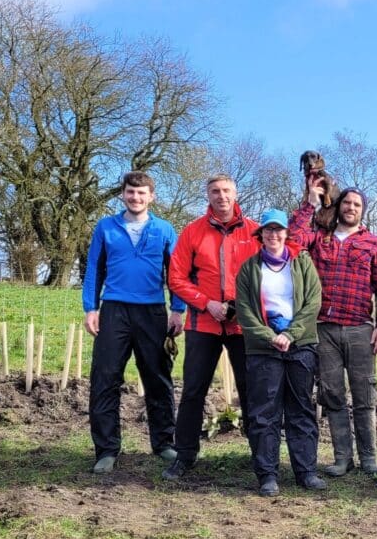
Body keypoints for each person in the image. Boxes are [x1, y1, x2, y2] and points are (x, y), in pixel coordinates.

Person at [82, 170, 185, 474]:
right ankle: (106, 450)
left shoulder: (165, 229)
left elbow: (176, 273)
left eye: (141, 193)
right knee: (105, 378)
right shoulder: (105, 227)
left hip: (152, 312)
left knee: (158, 378)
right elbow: (93, 269)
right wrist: (91, 307)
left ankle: (164, 443)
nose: (135, 197)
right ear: (123, 195)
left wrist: (177, 309)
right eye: (130, 192)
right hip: (114, 310)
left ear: (151, 196)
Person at [289, 179, 377, 476]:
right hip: (324, 328)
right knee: (332, 395)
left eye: (357, 205)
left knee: (364, 395)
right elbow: (293, 238)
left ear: (363, 211)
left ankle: (369, 457)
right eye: (347, 202)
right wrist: (310, 200)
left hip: (360, 327)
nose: (351, 208)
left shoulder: (373, 243)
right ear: (338, 205)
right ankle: (342, 458)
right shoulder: (321, 237)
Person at [163, 174, 260, 480]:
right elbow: (176, 278)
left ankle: (261, 456)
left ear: (236, 193)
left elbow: (267, 275)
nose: (221, 196)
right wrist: (206, 303)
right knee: (193, 390)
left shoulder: (255, 232)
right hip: (202, 322)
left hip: (242, 326)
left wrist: (240, 308)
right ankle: (185, 455)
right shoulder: (193, 231)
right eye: (215, 191)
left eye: (226, 190)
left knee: (252, 390)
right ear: (207, 195)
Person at [235, 209, 326, 496]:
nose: (274, 235)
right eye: (268, 230)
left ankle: (306, 471)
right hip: (263, 349)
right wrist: (270, 336)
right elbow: (245, 312)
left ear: (287, 233)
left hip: (300, 345)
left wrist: (290, 333)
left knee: (301, 409)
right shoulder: (249, 269)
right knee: (264, 411)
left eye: (279, 230)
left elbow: (313, 301)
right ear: (260, 234)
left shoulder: (302, 263)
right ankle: (267, 474)